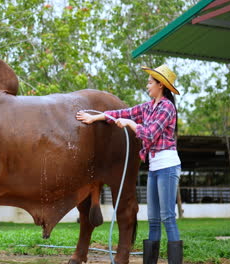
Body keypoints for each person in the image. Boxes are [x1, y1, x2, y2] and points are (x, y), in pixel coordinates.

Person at [76, 64, 183, 264]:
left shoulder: (167, 107)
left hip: (167, 167)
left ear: (161, 85)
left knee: (167, 217)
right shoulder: (149, 106)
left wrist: (130, 124)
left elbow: (149, 134)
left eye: (151, 82)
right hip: (154, 167)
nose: (147, 84)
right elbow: (122, 113)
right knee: (152, 219)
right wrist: (95, 117)